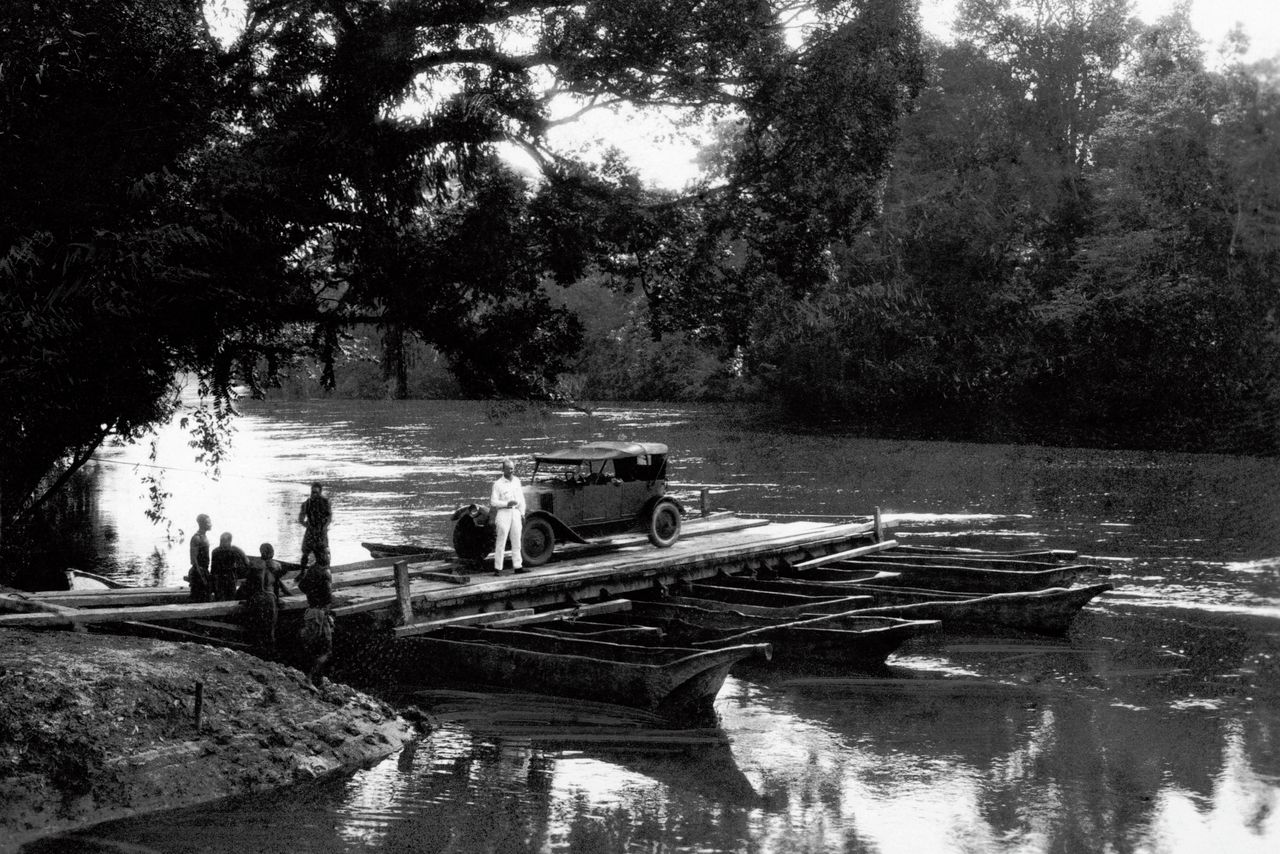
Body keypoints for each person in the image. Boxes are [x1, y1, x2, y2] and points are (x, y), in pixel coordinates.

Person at [240, 543, 288, 653]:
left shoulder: (253, 565)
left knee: (257, 627)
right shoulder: (277, 565)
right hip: (269, 598)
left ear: (260, 552)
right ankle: (271, 653)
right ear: (272, 553)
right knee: (270, 629)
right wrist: (277, 599)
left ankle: (257, 653)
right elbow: (276, 586)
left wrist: (247, 601)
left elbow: (249, 586)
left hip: (256, 598)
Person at [297, 558, 334, 686]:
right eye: (327, 553)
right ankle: (309, 677)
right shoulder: (325, 573)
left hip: (312, 612)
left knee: (314, 646)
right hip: (319, 614)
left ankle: (314, 678)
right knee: (325, 649)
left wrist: (313, 595)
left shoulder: (313, 571)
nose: (329, 556)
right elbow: (328, 597)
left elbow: (301, 586)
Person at [490, 458, 526, 574]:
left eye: (512, 468)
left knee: (516, 540)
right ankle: (498, 568)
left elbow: (521, 498)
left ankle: (518, 566)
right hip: (503, 513)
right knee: (501, 541)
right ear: (503, 469)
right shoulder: (497, 484)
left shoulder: (517, 481)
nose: (511, 471)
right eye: (508, 469)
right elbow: (493, 502)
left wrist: (522, 513)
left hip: (515, 512)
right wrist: (506, 503)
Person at [297, 482, 331, 573]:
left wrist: (324, 528)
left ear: (320, 492)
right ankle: (302, 572)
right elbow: (300, 519)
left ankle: (326, 571)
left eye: (316, 492)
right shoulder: (306, 503)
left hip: (321, 531)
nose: (313, 494)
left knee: (324, 553)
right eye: (312, 492)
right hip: (311, 532)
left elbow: (329, 517)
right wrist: (308, 526)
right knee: (305, 553)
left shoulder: (325, 502)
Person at [209, 532, 247, 601]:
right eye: (221, 541)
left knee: (224, 598)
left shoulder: (216, 551)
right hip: (227, 578)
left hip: (225, 579)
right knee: (229, 597)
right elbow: (246, 562)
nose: (222, 543)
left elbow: (212, 570)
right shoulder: (234, 550)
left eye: (223, 541)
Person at [187, 514, 213, 602]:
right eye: (208, 523)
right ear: (203, 524)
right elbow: (194, 560)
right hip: (198, 573)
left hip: (204, 571)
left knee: (206, 597)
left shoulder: (204, 537)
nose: (211, 524)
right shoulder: (196, 538)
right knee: (197, 597)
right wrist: (202, 577)